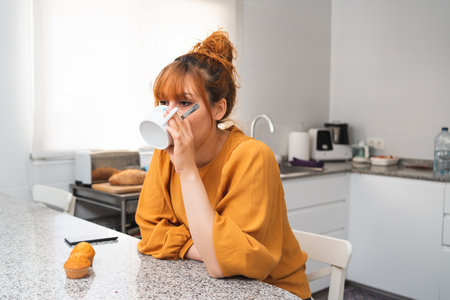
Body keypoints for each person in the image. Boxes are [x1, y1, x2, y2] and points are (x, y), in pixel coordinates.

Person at [135, 30, 312, 299]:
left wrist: (187, 170)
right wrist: (205, 248)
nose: (169, 117)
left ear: (218, 110)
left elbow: (227, 264)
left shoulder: (252, 157)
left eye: (183, 103)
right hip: (206, 285)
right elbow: (149, 232)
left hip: (272, 291)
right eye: (163, 103)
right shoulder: (165, 154)